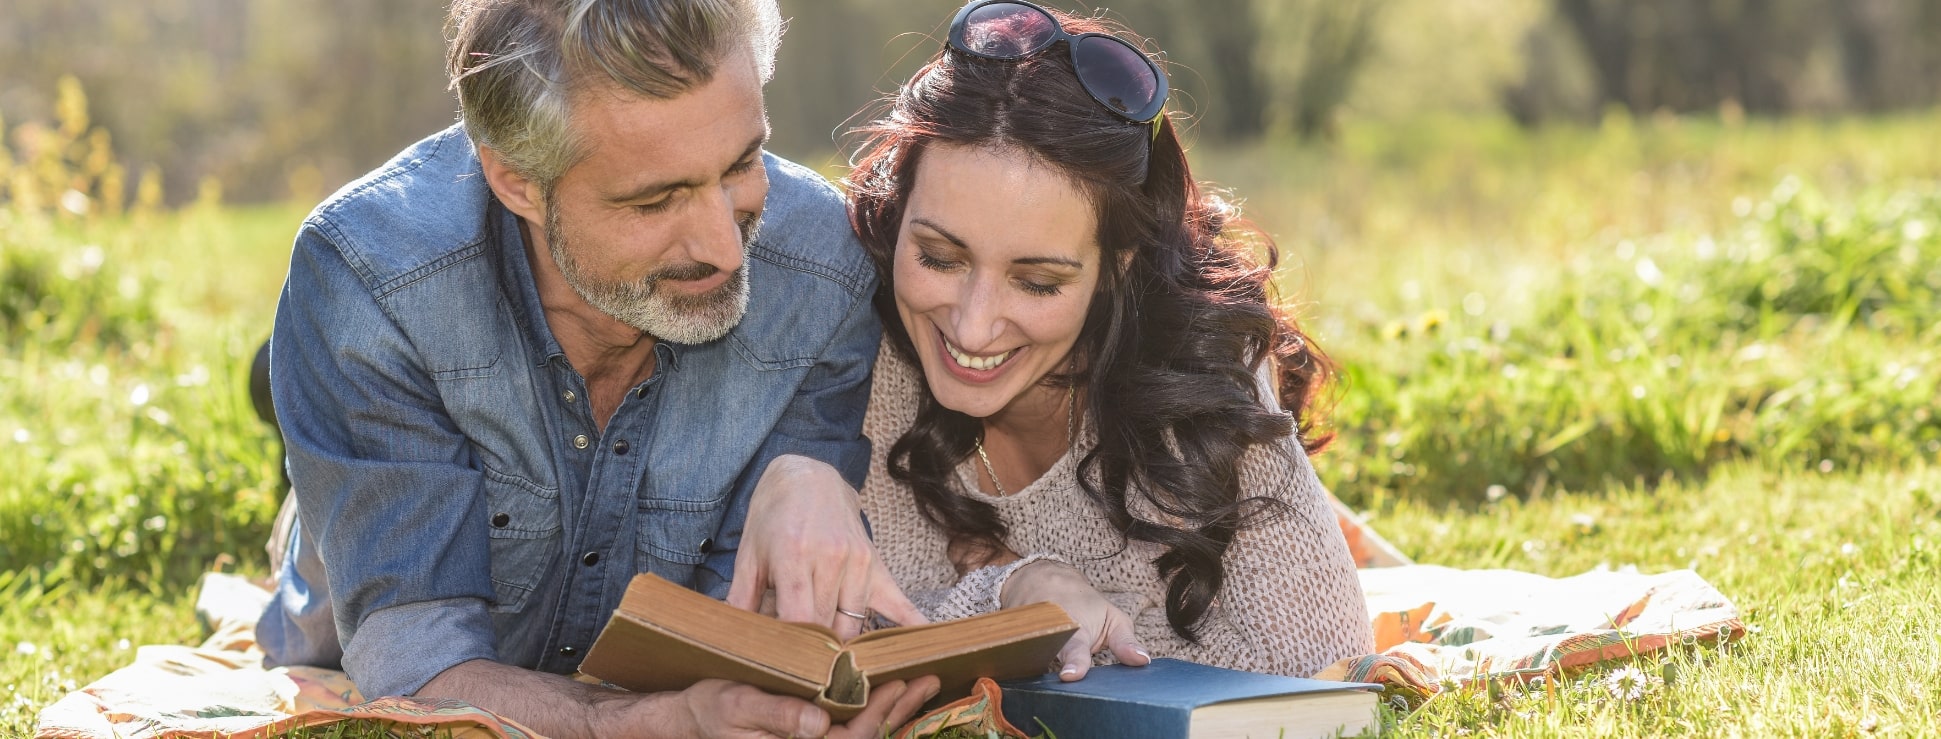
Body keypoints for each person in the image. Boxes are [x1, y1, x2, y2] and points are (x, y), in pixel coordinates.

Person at [255, 1, 937, 736]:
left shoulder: (824, 269)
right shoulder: (368, 276)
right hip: (351, 555)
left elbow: (755, 640)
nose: (726, 249)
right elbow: (415, 669)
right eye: (655, 200)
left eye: (741, 164)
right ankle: (305, 416)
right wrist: (655, 723)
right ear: (515, 181)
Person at [846, 0, 1376, 682]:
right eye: (938, 257)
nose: (971, 325)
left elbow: (1316, 665)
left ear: (1114, 264)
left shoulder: (1192, 368)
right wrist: (1018, 590)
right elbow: (851, 626)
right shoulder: (858, 326)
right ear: (897, 212)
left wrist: (1057, 615)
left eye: (1036, 281)